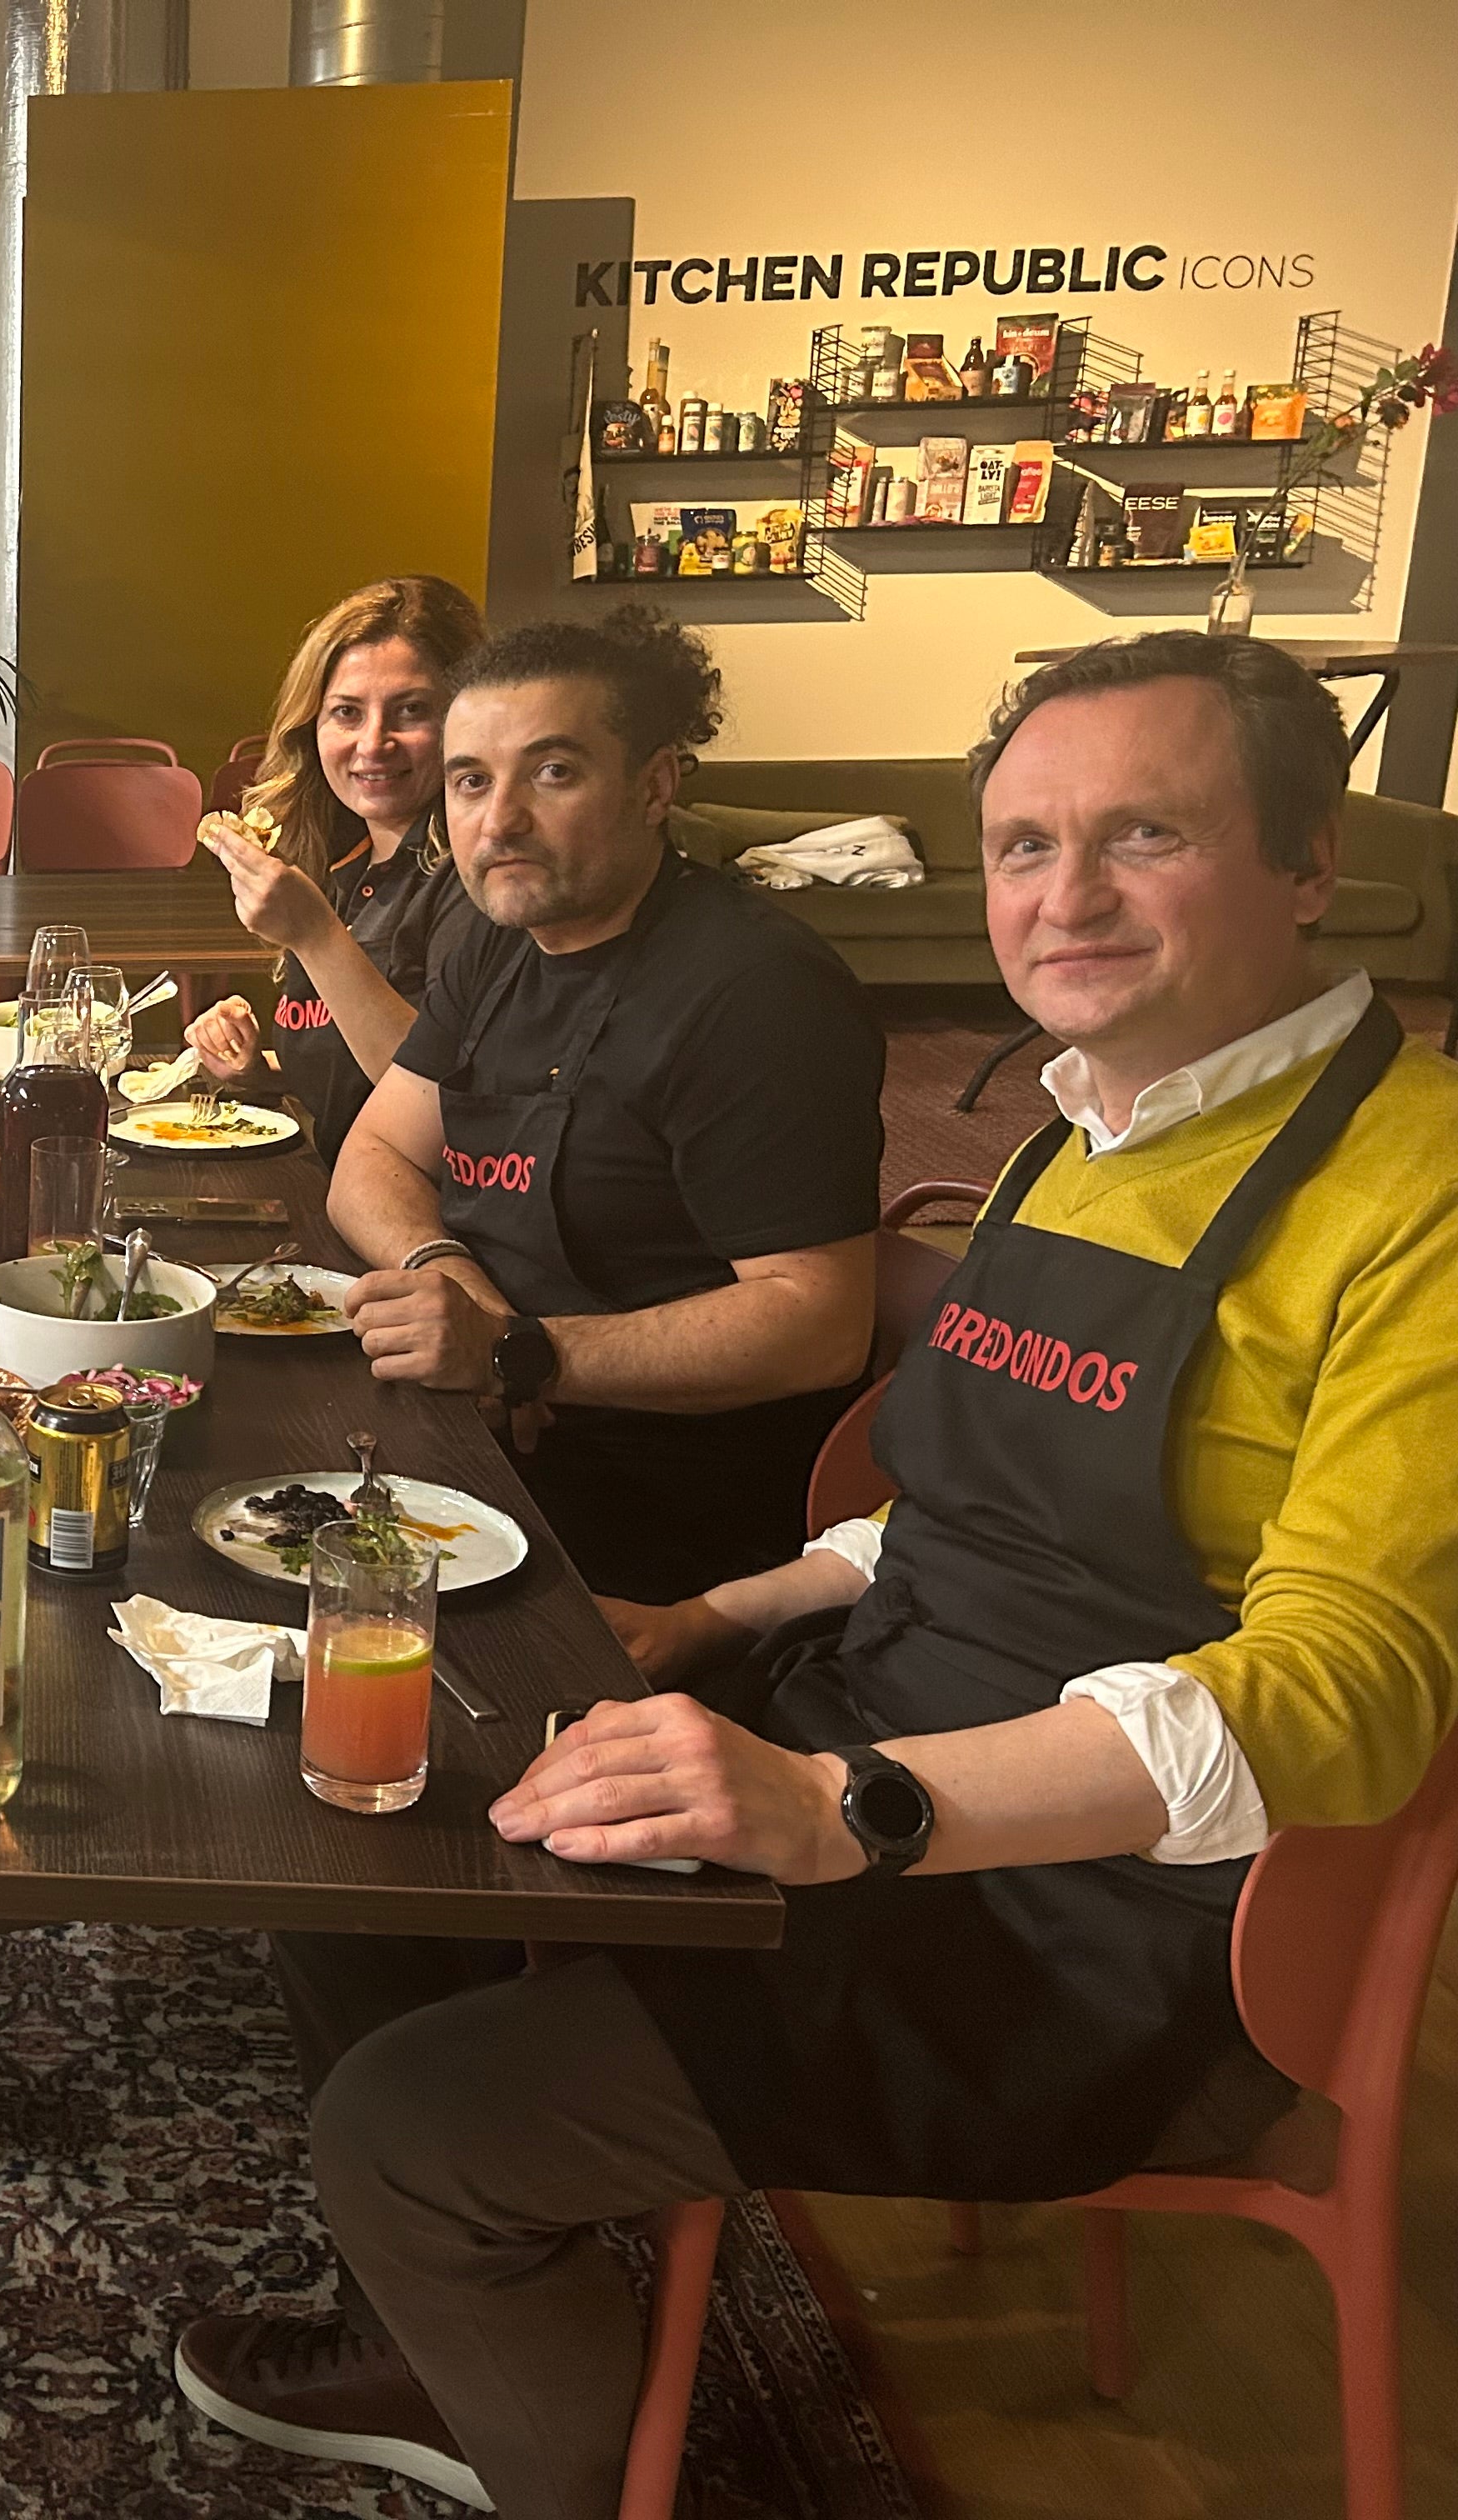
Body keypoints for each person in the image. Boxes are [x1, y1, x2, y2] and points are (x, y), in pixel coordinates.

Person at [173, 632, 1458, 2520]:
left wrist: (847, 1802)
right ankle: (465, 2303)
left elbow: (1354, 1692)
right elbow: (943, 1506)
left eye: (1145, 834)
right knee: (374, 1809)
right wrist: (710, 1618)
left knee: (405, 2125)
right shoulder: (1090, 1131)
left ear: (1310, 861)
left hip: (1100, 1929)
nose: (1065, 897)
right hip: (872, 1737)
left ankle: (555, 2446)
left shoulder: (1412, 1193)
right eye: (1023, 846)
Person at [325, 608, 883, 1605]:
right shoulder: (501, 939)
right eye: (470, 781)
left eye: (552, 773)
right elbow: (372, 1158)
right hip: (500, 1438)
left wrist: (529, 1356)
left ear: (655, 786)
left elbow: (822, 1322)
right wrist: (465, 1294)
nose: (499, 822)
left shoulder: (757, 992)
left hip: (662, 1520)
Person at [182, 575, 487, 1142]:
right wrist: (258, 1072)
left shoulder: (477, 880)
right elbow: (354, 1075)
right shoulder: (341, 857)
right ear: (311, 728)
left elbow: (442, 1101)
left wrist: (316, 935)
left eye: (411, 710)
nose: (373, 743)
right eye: (347, 712)